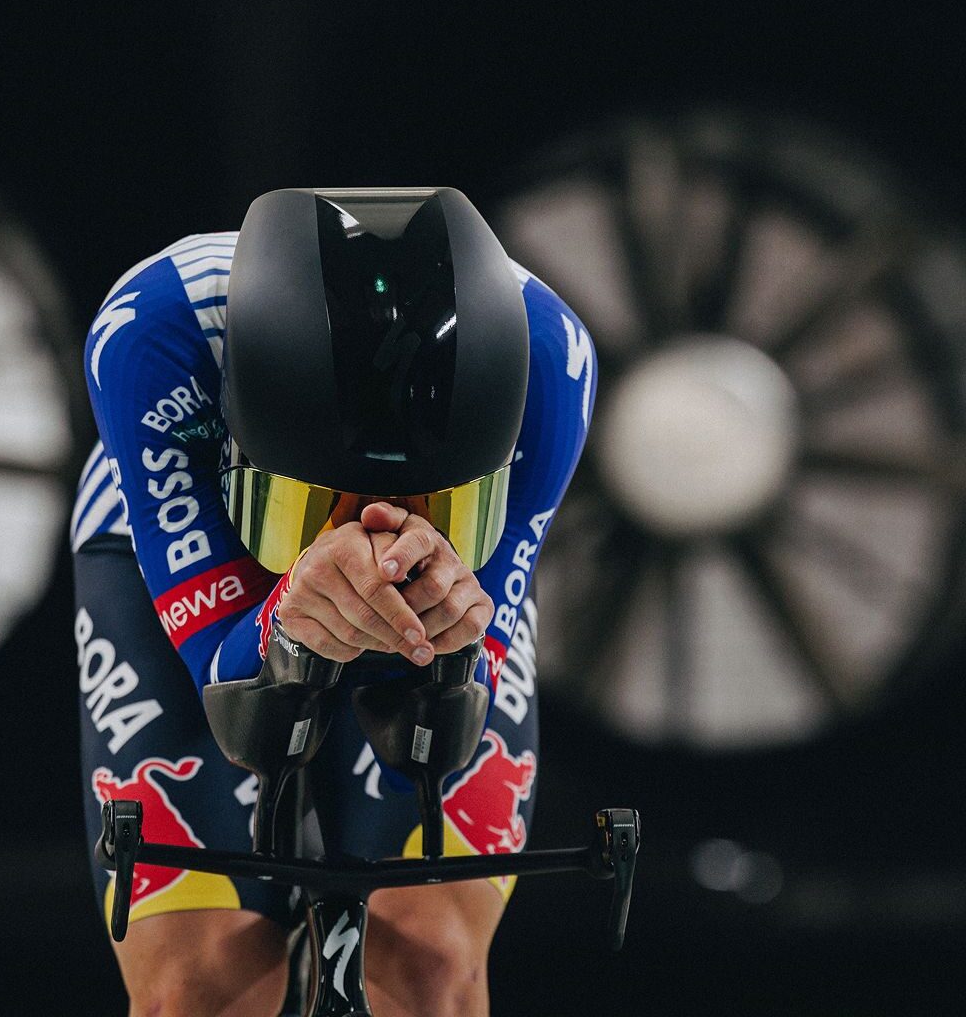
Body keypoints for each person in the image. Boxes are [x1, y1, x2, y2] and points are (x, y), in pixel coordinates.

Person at [73, 187, 595, 1017]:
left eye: (437, 509)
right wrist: (284, 622)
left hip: (435, 580)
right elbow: (235, 698)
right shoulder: (152, 330)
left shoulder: (551, 361)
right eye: (313, 514)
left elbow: (442, 728)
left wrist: (446, 657)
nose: (374, 541)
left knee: (433, 979)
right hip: (191, 543)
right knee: (193, 994)